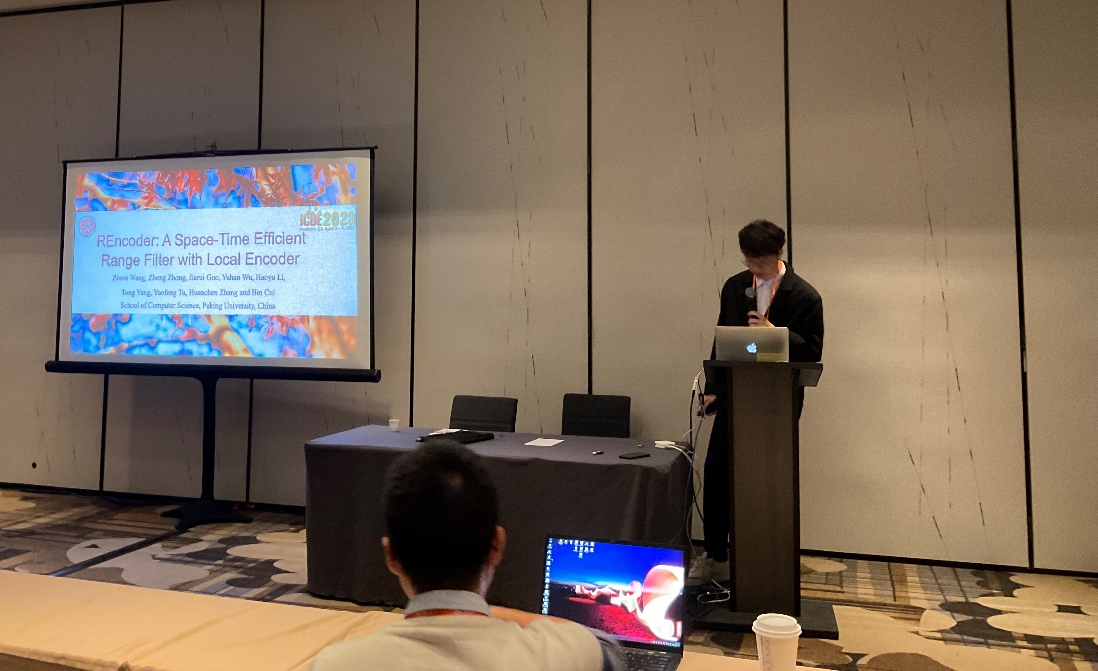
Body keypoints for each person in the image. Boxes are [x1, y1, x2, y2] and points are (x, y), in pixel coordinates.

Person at [310, 441, 625, 671]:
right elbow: (607, 647)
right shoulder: (563, 655)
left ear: (391, 556)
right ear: (496, 545)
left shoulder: (334, 664)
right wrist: (483, 610)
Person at [693, 219, 823, 584]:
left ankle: (767, 559)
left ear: (779, 253)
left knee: (767, 480)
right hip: (735, 395)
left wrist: (776, 334)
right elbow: (722, 338)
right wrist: (713, 386)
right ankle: (716, 554)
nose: (754, 267)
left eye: (760, 261)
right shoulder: (735, 286)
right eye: (748, 260)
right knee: (717, 471)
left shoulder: (805, 295)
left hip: (777, 402)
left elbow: (813, 351)